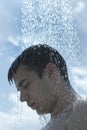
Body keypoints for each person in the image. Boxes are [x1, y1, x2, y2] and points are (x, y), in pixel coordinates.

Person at [8, 44, 87, 130]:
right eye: (20, 90)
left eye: (25, 85)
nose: (22, 98)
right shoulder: (60, 121)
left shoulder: (82, 112)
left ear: (50, 73)